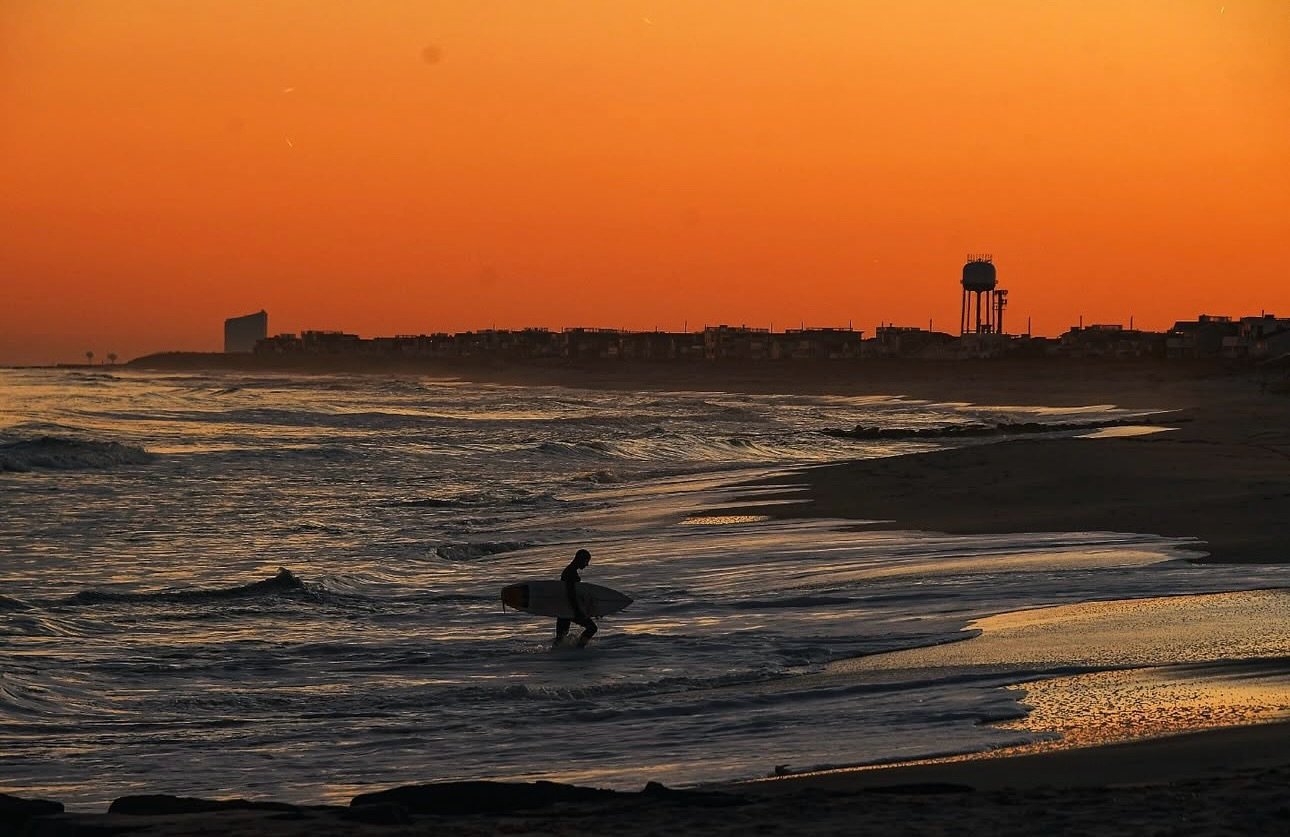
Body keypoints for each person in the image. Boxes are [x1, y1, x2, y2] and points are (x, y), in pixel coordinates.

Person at [554, 548, 598, 648]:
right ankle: (579, 647)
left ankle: (558, 656)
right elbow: (571, 595)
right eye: (586, 561)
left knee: (560, 639)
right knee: (592, 628)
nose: (587, 564)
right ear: (580, 559)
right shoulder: (570, 573)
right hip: (570, 609)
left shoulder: (570, 571)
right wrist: (578, 612)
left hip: (564, 609)